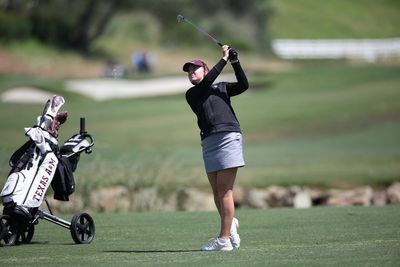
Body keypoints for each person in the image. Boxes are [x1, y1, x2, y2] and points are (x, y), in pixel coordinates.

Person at [183, 45, 249, 251]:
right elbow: (208, 83)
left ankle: (224, 240)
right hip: (209, 142)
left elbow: (243, 85)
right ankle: (232, 225)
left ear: (205, 69)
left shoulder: (222, 88)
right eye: (189, 71)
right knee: (216, 192)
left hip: (228, 136)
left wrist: (235, 62)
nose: (191, 72)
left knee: (225, 191)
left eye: (195, 69)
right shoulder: (192, 94)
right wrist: (224, 59)